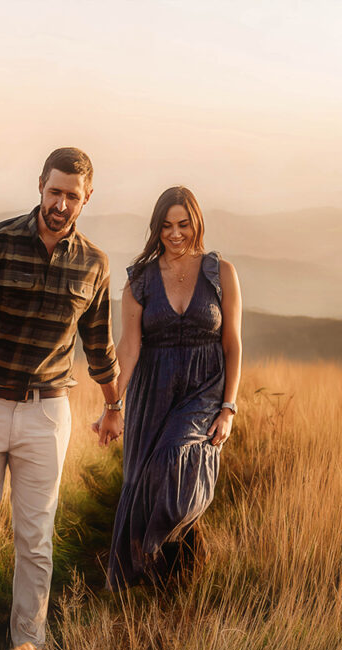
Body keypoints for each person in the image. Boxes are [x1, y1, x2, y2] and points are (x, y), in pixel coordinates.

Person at [0, 147, 123, 650]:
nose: (61, 204)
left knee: (36, 540)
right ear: (39, 185)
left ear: (87, 198)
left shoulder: (95, 263)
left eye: (72, 196)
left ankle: (28, 649)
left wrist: (113, 407)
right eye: (54, 192)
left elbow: (98, 345)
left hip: (47, 413)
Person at [106, 186, 242, 589]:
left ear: (197, 222)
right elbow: (129, 347)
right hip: (153, 392)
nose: (176, 233)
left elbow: (233, 343)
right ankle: (169, 584)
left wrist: (229, 407)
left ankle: (158, 557)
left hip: (205, 388)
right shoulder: (141, 280)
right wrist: (113, 405)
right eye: (166, 226)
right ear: (156, 228)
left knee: (173, 460)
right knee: (144, 479)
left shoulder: (222, 273)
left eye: (183, 224)